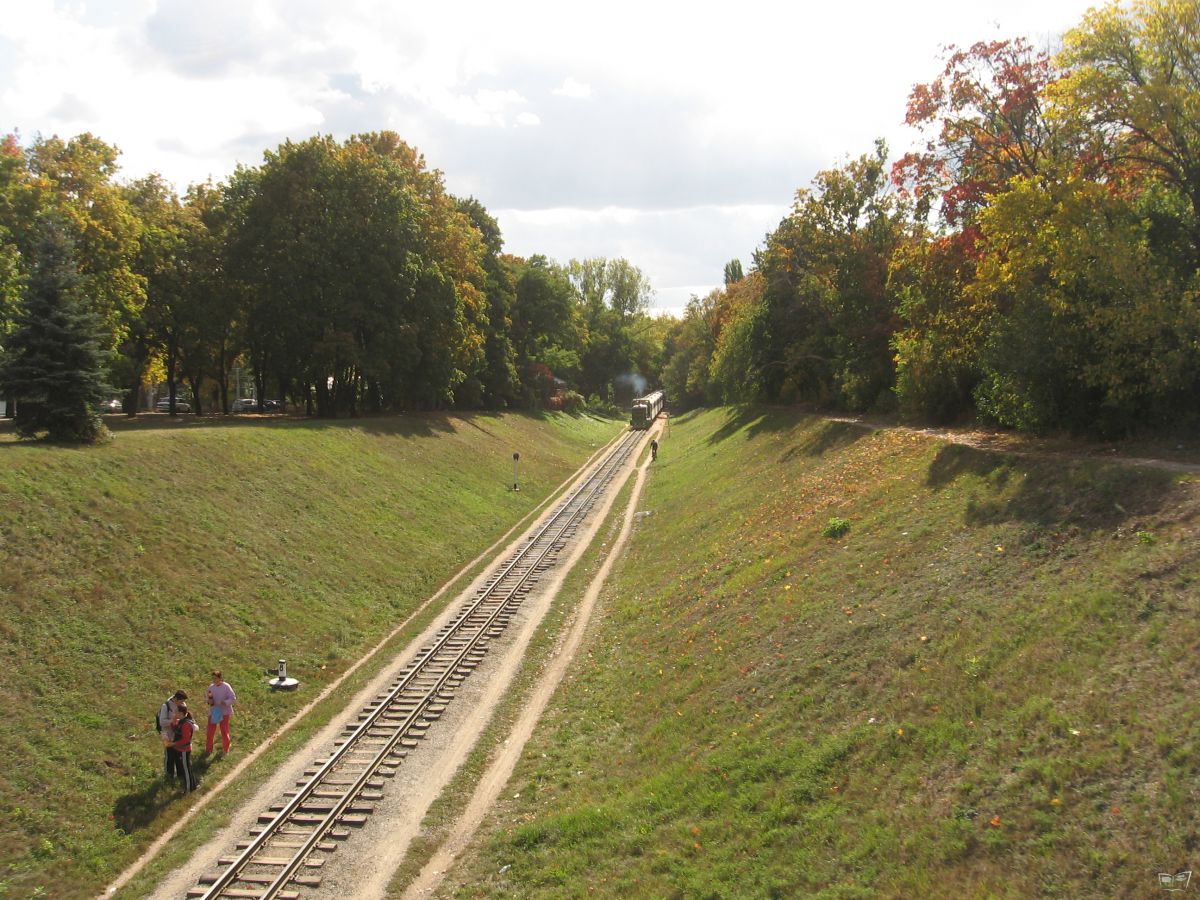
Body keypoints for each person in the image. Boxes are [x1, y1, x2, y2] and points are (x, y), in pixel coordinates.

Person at [157, 689, 188, 778]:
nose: (183, 703)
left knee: (178, 754)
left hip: (177, 733)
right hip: (167, 733)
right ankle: (169, 774)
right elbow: (162, 722)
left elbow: (185, 715)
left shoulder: (182, 705)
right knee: (169, 754)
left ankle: (180, 774)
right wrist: (174, 721)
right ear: (176, 699)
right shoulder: (165, 706)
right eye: (181, 701)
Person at [205, 670, 236, 754]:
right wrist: (209, 701)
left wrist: (225, 702)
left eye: (215, 678)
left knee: (224, 731)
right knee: (210, 731)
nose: (214, 680)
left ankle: (226, 749)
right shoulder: (211, 687)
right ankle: (208, 750)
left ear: (220, 678)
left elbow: (233, 698)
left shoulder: (226, 686)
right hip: (214, 711)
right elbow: (207, 697)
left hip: (224, 711)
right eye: (213, 678)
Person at [169, 703, 197, 792]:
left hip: (184, 750)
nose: (174, 713)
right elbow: (176, 730)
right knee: (186, 768)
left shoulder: (186, 724)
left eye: (176, 712)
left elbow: (185, 740)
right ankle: (192, 786)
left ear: (181, 713)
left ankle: (189, 789)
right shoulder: (181, 721)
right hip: (180, 749)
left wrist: (174, 744)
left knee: (186, 770)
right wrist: (173, 721)